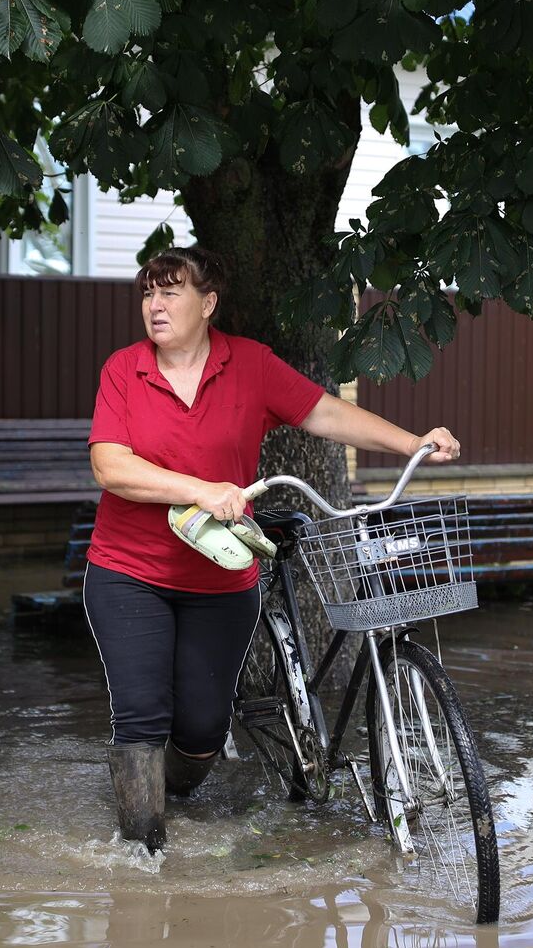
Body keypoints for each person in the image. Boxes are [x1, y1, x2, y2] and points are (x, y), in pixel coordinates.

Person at [85, 246, 461, 853]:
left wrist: (412, 440)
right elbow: (110, 466)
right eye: (148, 293)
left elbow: (324, 413)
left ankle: (168, 798)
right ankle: (143, 862)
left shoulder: (251, 365)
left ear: (207, 304)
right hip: (131, 572)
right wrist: (200, 491)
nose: (155, 305)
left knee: (203, 730)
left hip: (221, 580)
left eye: (170, 292)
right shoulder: (124, 371)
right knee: (140, 715)